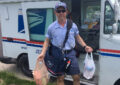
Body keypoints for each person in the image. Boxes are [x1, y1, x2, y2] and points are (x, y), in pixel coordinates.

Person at [37, 1, 93, 85]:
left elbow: (77, 37)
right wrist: (42, 53)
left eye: (63, 10)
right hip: (58, 54)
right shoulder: (51, 27)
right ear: (55, 12)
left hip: (71, 54)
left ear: (66, 12)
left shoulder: (72, 25)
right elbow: (47, 41)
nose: (61, 13)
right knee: (60, 78)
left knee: (76, 77)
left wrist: (85, 46)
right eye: (58, 11)